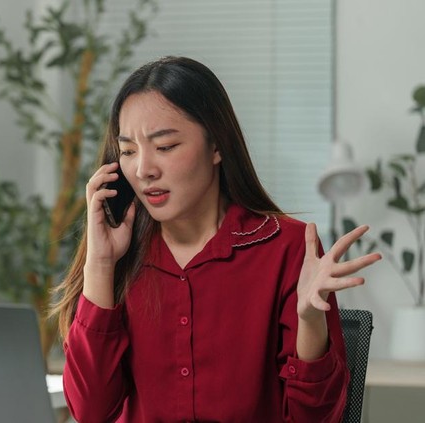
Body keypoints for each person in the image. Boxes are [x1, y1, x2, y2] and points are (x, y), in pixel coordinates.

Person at [50, 56, 381, 423]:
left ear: (216, 146)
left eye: (165, 146)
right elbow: (90, 412)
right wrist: (100, 264)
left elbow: (316, 419)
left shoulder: (288, 250)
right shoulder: (119, 257)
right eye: (128, 151)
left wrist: (310, 322)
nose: (143, 169)